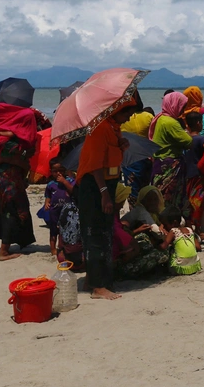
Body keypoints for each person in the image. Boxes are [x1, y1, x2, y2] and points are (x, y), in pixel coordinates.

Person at [76, 104, 134, 300]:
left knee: (103, 231)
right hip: (94, 187)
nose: (128, 119)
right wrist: (104, 194)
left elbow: (112, 161)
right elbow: (95, 165)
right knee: (96, 233)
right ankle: (98, 287)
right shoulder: (99, 129)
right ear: (118, 111)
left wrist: (121, 146)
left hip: (106, 186)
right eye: (127, 114)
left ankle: (93, 278)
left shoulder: (113, 129)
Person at [0, 104, 40, 261]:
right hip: (9, 181)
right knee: (12, 211)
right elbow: (19, 162)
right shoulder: (15, 144)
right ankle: (4, 251)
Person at [150, 92, 192, 210]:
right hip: (170, 163)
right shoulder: (171, 122)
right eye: (182, 107)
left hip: (160, 160)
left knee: (160, 195)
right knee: (170, 195)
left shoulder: (160, 118)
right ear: (174, 105)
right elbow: (188, 141)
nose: (183, 111)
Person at [121, 106, 154, 204]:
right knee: (145, 189)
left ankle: (135, 213)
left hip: (130, 158)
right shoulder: (149, 116)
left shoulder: (123, 118)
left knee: (133, 191)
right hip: (146, 157)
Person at [158, 205, 202, 275]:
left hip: (179, 267)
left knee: (168, 250)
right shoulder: (189, 229)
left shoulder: (173, 231)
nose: (165, 228)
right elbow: (198, 247)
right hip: (194, 265)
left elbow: (163, 247)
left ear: (174, 223)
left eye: (165, 225)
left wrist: (154, 244)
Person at [44, 162, 75, 256]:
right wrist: (46, 203)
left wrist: (64, 182)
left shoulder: (70, 180)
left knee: (66, 229)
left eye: (61, 170)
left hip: (68, 211)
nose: (58, 173)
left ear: (65, 170)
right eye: (55, 171)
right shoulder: (50, 184)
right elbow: (48, 195)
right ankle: (53, 249)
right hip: (55, 210)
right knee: (53, 230)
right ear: (51, 172)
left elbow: (73, 191)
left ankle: (63, 247)